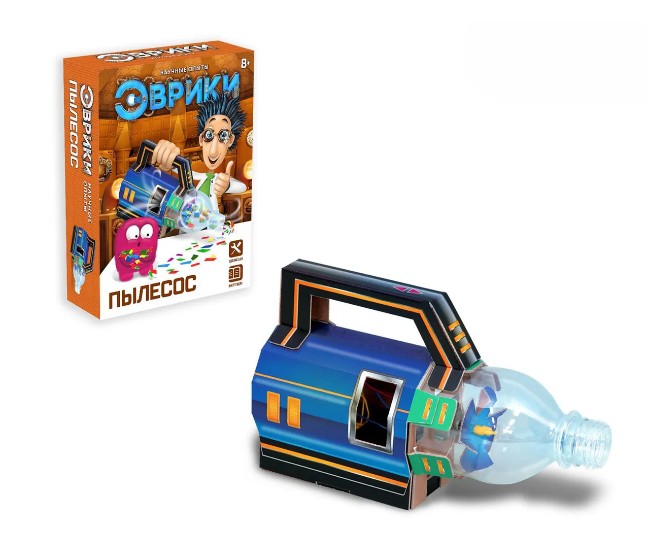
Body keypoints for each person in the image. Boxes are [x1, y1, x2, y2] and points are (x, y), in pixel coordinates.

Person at [152, 93, 247, 214]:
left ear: (231, 140)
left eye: (223, 135)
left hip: (210, 220)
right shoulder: (196, 177)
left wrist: (227, 186)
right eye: (209, 134)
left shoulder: (218, 179)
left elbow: (242, 187)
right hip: (190, 217)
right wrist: (170, 161)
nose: (213, 150)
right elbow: (184, 170)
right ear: (201, 139)